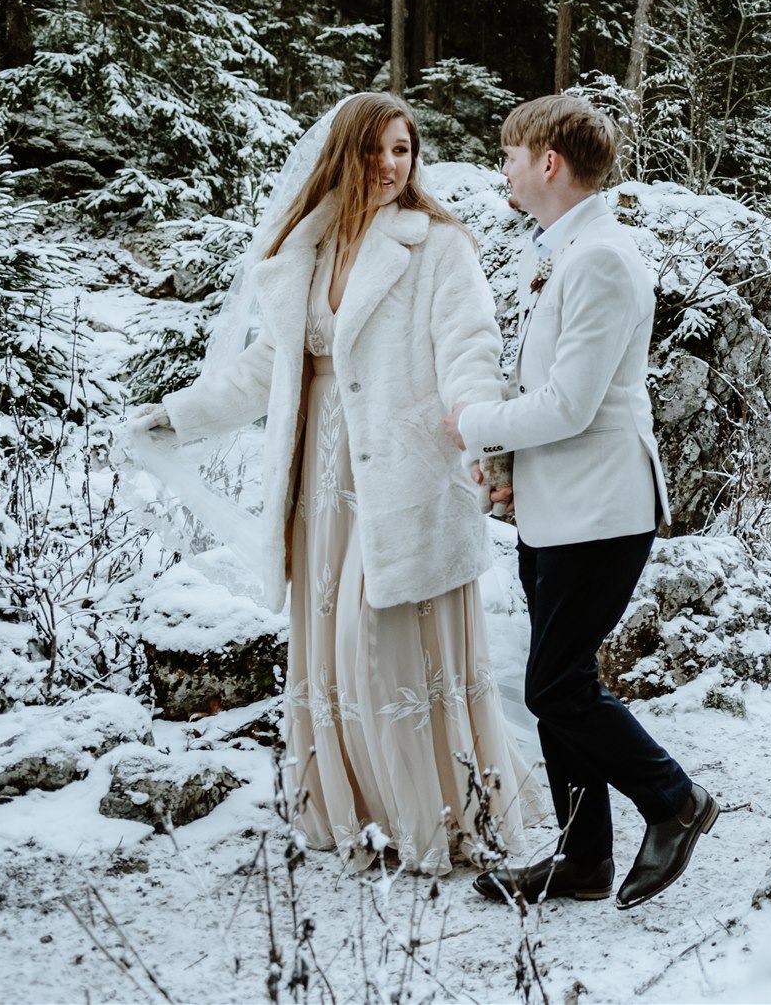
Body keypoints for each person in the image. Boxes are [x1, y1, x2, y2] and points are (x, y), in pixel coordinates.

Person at [133, 92, 544, 875]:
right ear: (342, 155)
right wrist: (176, 415)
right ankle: (355, 813)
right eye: (376, 150)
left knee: (377, 643)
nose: (392, 165)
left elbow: (469, 344)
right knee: (328, 647)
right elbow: (265, 368)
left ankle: (440, 816)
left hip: (403, 473)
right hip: (318, 483)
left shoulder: (437, 247)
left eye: (403, 150)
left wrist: (480, 421)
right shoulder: (307, 250)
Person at [455, 94, 717, 910]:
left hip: (603, 509)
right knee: (558, 678)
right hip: (561, 504)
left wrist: (472, 424)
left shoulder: (601, 258)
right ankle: (582, 857)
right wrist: (505, 459)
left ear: (549, 163)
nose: (502, 166)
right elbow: (547, 387)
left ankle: (674, 799)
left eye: (509, 153)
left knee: (553, 687)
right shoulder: (563, 250)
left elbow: (570, 403)